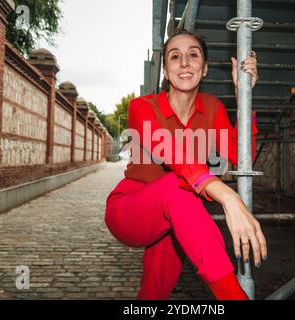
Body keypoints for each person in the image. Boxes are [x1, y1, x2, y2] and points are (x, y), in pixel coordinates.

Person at [104, 29, 267, 300]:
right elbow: (171, 152)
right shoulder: (141, 107)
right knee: (175, 186)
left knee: (153, 293)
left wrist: (243, 97)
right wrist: (227, 196)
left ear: (204, 69)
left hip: (178, 214)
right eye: (174, 56)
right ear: (166, 71)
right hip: (131, 209)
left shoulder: (213, 107)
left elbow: (241, 157)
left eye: (193, 55)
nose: (184, 62)